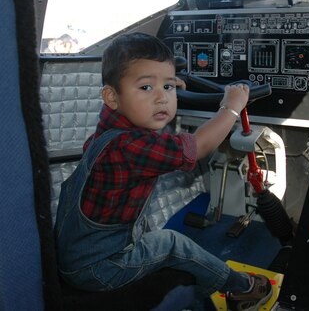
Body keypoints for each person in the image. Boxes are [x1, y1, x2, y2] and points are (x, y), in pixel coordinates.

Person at [55, 32, 272, 310]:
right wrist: (231, 107)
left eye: (168, 88)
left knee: (150, 231)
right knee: (172, 243)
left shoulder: (110, 130)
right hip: (99, 269)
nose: (162, 99)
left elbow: (140, 99)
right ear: (112, 96)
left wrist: (158, 85)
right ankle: (241, 288)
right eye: (146, 88)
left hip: (79, 254)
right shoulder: (132, 147)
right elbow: (200, 145)